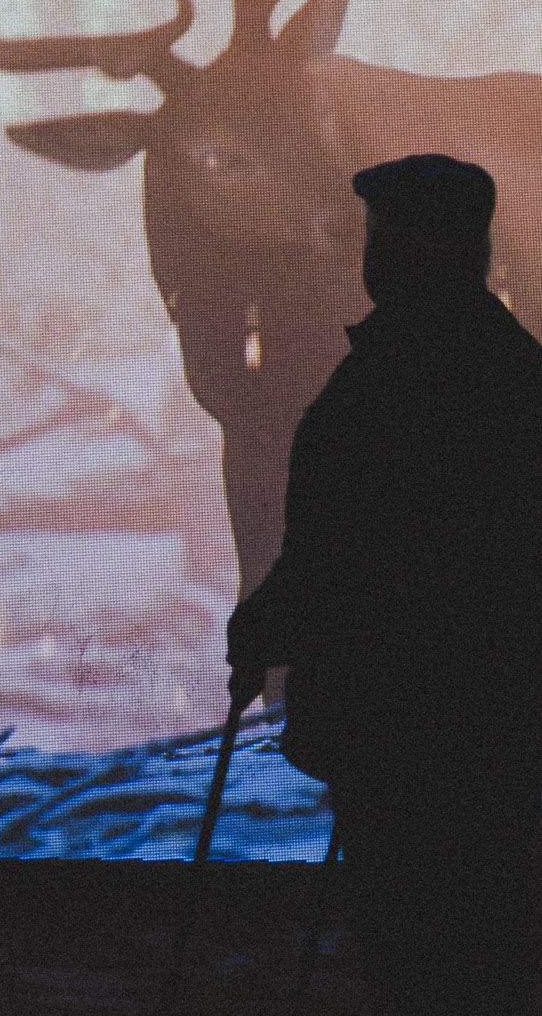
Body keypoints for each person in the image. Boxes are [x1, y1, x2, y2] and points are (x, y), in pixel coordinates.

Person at [226, 153, 542, 1015]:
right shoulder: (506, 370)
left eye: (384, 234)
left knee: (427, 952)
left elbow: (362, 544)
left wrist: (275, 618)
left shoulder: (406, 375)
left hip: (417, 734)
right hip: (478, 734)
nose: (371, 253)